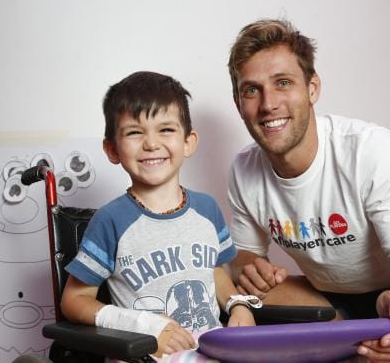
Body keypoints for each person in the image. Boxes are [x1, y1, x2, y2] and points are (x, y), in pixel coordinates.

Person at [225, 19, 390, 363]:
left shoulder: (368, 149)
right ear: (238, 101)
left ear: (312, 88)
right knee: (244, 293)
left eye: (283, 83)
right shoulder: (244, 169)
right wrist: (250, 267)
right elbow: (244, 254)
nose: (268, 103)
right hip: (330, 296)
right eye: (251, 90)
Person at [61, 71, 256, 360]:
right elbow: (74, 301)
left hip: (209, 350)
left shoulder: (207, 209)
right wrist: (145, 326)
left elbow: (213, 271)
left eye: (165, 129)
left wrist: (238, 304)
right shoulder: (111, 220)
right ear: (112, 149)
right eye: (134, 132)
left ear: (188, 142)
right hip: (148, 354)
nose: (151, 143)